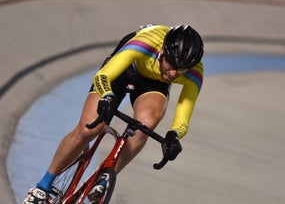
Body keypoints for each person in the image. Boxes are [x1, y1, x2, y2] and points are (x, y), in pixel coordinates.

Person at [23, 24, 204, 203]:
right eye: (171, 65)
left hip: (153, 85)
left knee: (146, 124)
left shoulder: (194, 72)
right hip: (124, 69)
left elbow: (184, 113)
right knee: (88, 130)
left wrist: (174, 136)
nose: (173, 73)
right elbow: (103, 77)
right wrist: (108, 97)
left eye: (180, 69)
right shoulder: (144, 43)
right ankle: (42, 187)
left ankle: (105, 178)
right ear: (163, 51)